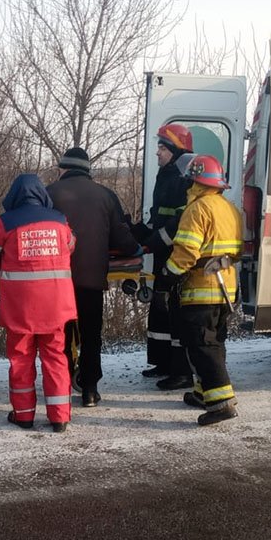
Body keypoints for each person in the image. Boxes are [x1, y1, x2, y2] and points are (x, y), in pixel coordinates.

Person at [0, 173, 77, 432]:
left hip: (21, 306)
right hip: (55, 305)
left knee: (21, 359)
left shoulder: (6, 222)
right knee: (55, 357)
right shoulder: (59, 220)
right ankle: (60, 417)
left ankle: (23, 415)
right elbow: (70, 246)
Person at [154, 154, 244, 426]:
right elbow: (238, 250)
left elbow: (186, 252)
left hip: (202, 287)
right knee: (214, 341)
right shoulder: (230, 208)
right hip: (227, 286)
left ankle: (222, 404)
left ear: (194, 181)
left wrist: (168, 274)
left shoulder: (197, 209)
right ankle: (203, 393)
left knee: (202, 346)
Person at [47, 146, 140, 407]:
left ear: (63, 169)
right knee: (90, 335)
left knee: (60, 335)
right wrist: (136, 249)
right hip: (91, 279)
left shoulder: (48, 193)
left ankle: (61, 387)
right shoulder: (105, 195)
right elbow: (121, 236)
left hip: (56, 280)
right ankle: (89, 389)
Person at [137, 123, 195, 390]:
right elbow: (160, 215)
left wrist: (153, 242)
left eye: (162, 147)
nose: (157, 152)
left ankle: (181, 371)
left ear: (175, 149)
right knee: (160, 309)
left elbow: (181, 221)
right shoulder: (166, 174)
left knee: (176, 312)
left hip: (177, 256)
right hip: (164, 254)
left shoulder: (184, 177)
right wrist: (139, 232)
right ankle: (162, 362)